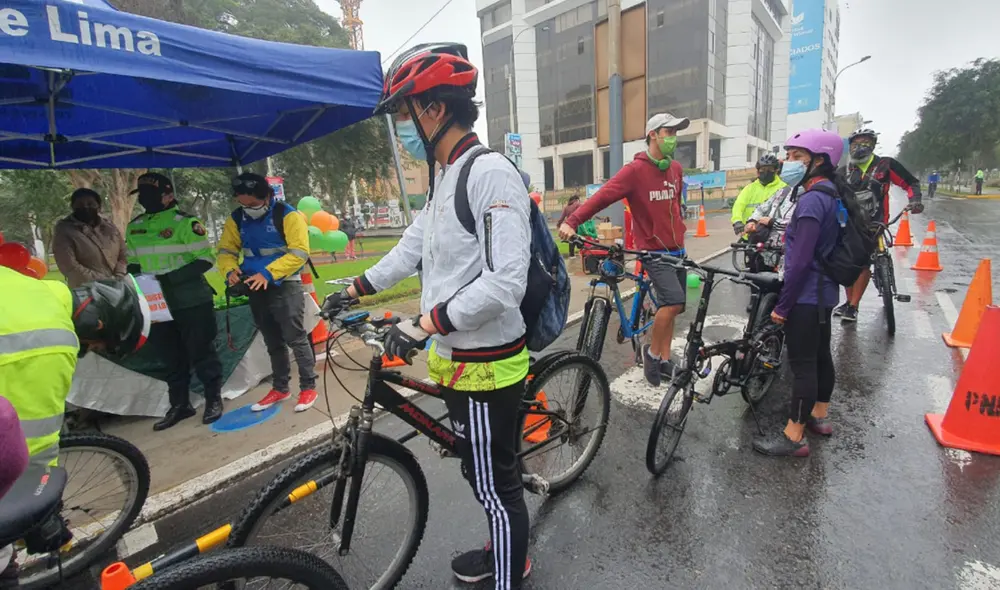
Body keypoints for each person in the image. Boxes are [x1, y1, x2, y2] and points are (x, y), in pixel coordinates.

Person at [323, 42, 533, 589]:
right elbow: (411, 248)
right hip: (455, 358)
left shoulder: (489, 173)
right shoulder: (445, 178)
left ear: (434, 109)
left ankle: (513, 569)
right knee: (479, 468)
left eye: (402, 115)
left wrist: (423, 323)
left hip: (487, 361)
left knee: (495, 485)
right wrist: (356, 289)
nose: (401, 129)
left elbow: (506, 281)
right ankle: (502, 547)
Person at [0, 267, 150, 581]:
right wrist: (41, 515)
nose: (87, 352)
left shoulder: (35, 289)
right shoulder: (54, 341)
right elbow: (31, 444)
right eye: (96, 347)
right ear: (97, 325)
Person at [559, 112, 689, 386]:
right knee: (673, 302)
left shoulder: (675, 169)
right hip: (654, 252)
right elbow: (603, 196)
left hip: (678, 250)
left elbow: (675, 206)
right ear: (653, 135)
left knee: (676, 308)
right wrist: (572, 222)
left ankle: (665, 359)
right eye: (669, 132)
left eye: (676, 133)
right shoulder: (635, 171)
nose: (673, 138)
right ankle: (652, 355)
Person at [753, 129, 847, 457]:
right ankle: (819, 416)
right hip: (824, 294)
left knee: (803, 364)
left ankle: (794, 436)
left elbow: (800, 262)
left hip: (806, 295)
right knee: (821, 355)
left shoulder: (810, 202)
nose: (787, 163)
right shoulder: (832, 195)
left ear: (817, 161)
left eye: (795, 157)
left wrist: (783, 304)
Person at [126, 173, 224, 429]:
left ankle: (214, 398)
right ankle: (180, 405)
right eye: (142, 197)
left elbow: (205, 259)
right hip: (156, 303)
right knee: (170, 357)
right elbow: (134, 262)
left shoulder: (186, 223)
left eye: (150, 196)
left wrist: (168, 279)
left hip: (190, 299)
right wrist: (139, 281)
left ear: (168, 195)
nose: (145, 201)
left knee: (202, 351)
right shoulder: (135, 226)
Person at [217, 173, 318, 414]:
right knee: (272, 340)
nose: (247, 208)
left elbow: (299, 253)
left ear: (267, 196)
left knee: (295, 336)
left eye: (252, 204)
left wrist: (269, 274)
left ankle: (308, 386)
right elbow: (226, 250)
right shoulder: (236, 218)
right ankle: (280, 387)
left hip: (285, 285)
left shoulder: (287, 214)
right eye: (243, 203)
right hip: (254, 286)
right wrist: (230, 270)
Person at [838, 128, 923, 322]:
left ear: (873, 145)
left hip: (877, 223)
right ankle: (849, 301)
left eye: (865, 143)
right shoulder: (843, 171)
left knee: (862, 264)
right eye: (856, 143)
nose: (860, 147)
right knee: (847, 264)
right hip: (850, 225)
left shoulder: (885, 165)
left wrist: (915, 200)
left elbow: (910, 183)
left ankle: (853, 305)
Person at [52, 188, 128, 288]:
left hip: (119, 286)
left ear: (99, 206)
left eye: (91, 204)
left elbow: (124, 254)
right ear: (72, 206)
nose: (85, 207)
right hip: (87, 291)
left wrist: (119, 275)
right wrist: (106, 281)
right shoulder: (64, 230)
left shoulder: (110, 227)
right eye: (80, 204)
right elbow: (70, 266)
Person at [731, 154, 787, 235]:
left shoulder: (784, 188)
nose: (766, 172)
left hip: (773, 237)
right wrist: (737, 221)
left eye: (770, 169)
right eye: (763, 169)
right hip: (749, 234)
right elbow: (738, 205)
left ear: (776, 171)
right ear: (758, 172)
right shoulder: (749, 188)